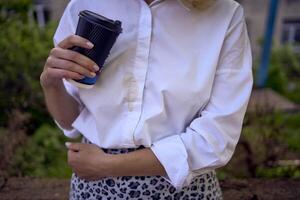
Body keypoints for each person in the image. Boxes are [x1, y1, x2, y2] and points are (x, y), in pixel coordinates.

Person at [40, 0, 253, 199]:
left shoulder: (224, 14)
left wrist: (107, 166)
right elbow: (73, 121)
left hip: (182, 191)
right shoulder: (85, 5)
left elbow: (216, 139)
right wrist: (51, 83)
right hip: (93, 187)